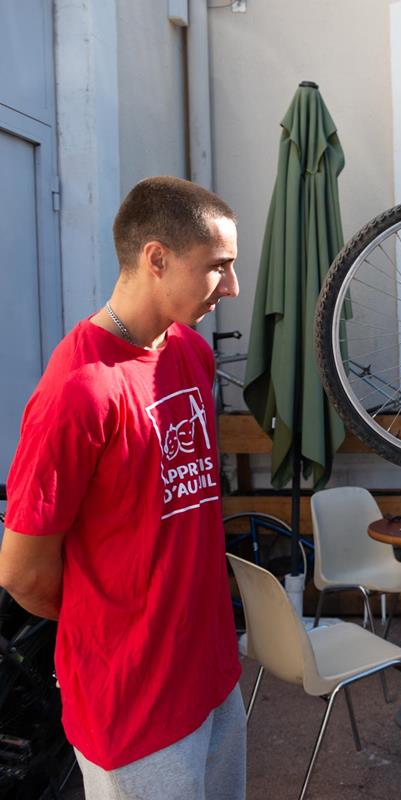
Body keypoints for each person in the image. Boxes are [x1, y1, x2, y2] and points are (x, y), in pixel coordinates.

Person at [0, 176, 245, 799]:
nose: (233, 287)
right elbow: (22, 573)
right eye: (217, 268)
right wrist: (117, 625)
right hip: (134, 710)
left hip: (212, 678)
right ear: (155, 258)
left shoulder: (190, 352)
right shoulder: (78, 390)